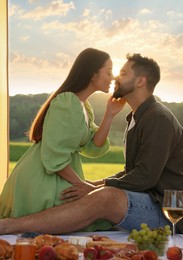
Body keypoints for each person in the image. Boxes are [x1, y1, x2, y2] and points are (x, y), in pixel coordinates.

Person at [0, 53, 183, 235]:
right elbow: (132, 172)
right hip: (148, 199)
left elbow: (144, 177)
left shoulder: (157, 118)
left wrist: (97, 188)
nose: (116, 78)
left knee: (104, 198)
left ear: (140, 81)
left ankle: (10, 226)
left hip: (167, 210)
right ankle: (22, 228)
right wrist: (93, 185)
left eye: (124, 73)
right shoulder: (137, 117)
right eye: (113, 72)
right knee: (92, 196)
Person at [0, 48, 125, 232]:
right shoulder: (68, 103)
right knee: (81, 222)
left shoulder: (83, 106)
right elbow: (54, 157)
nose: (113, 77)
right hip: (43, 180)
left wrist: (109, 114)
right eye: (108, 72)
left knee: (92, 220)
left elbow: (93, 146)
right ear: (92, 74)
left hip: (61, 174)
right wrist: (83, 186)